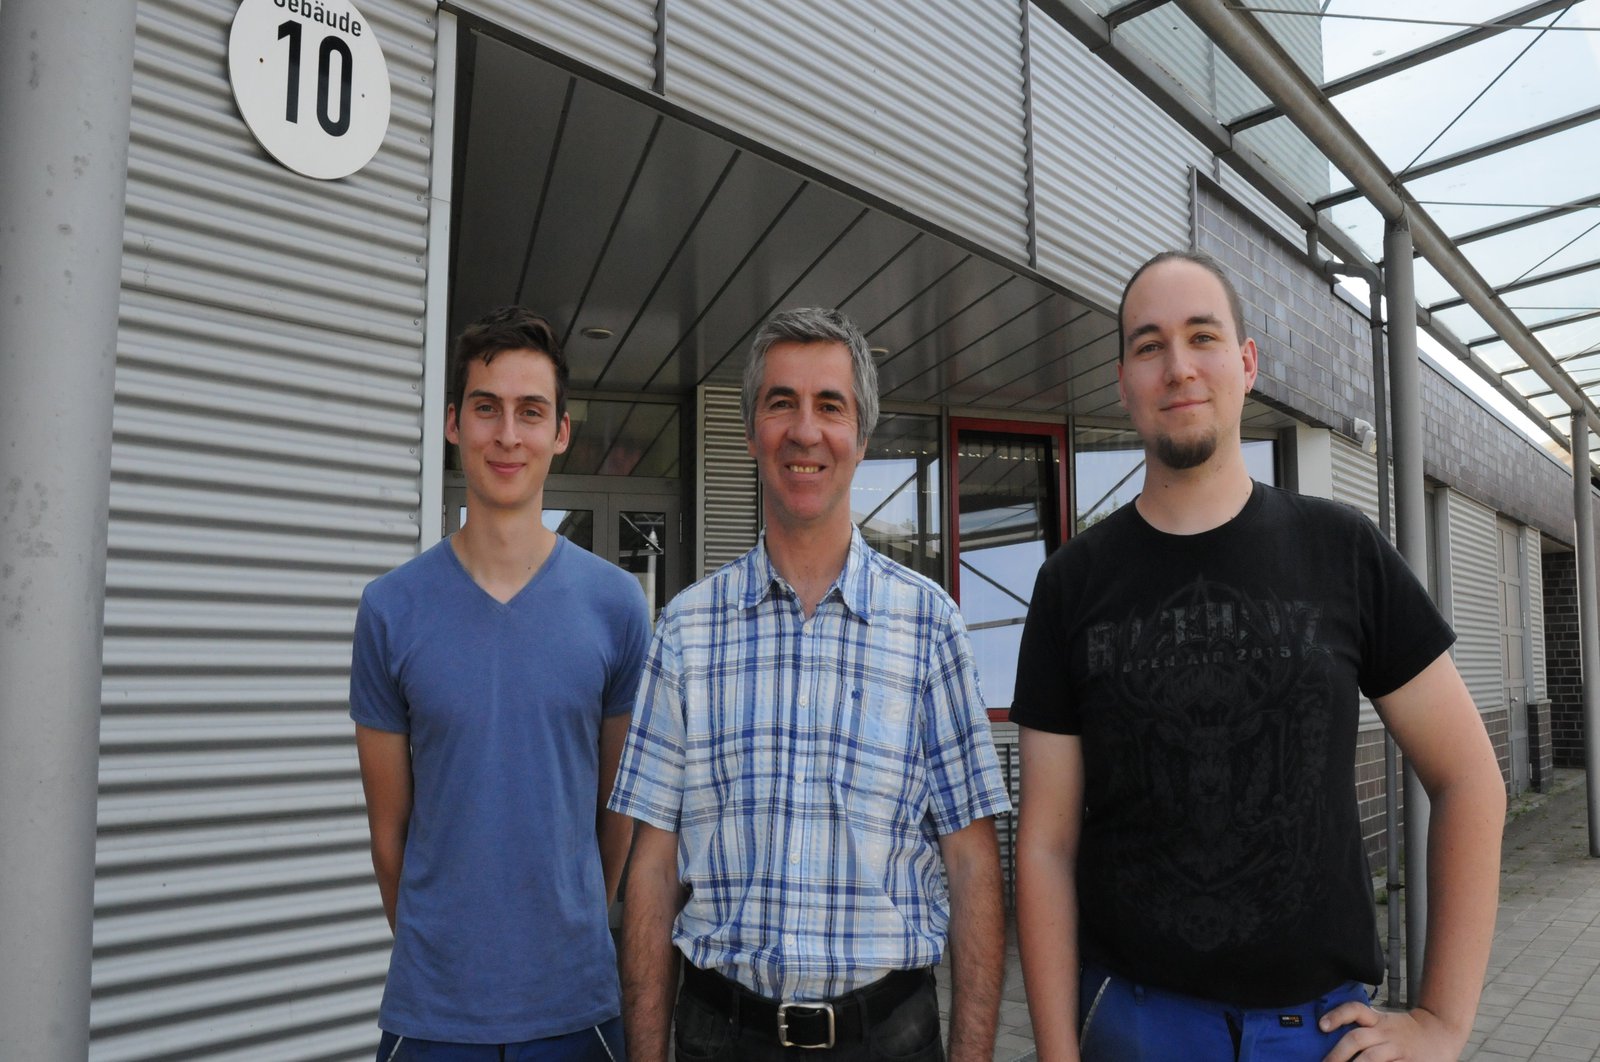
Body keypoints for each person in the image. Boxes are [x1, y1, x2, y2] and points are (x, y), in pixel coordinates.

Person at [1011, 251, 1506, 1062]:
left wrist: (1443, 1020)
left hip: (1316, 1035)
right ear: (1124, 379)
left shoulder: (1343, 550)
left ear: (1246, 363)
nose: (1178, 367)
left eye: (1202, 337)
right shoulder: (1070, 585)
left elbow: (1470, 779)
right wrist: (1057, 1053)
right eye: (1149, 345)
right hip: (1135, 1030)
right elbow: (1045, 844)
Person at [607, 307, 1011, 1062]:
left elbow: (972, 861)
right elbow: (653, 865)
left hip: (889, 1039)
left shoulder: (931, 628)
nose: (804, 430)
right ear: (753, 429)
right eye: (780, 402)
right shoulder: (686, 631)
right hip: (717, 1036)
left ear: (861, 437)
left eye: (830, 405)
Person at [350, 307, 650, 1061]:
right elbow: (390, 835)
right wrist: (448, 955)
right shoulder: (390, 609)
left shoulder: (616, 606)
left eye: (531, 412)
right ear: (454, 423)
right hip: (431, 1017)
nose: (507, 435)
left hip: (575, 1012)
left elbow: (619, 815)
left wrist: (572, 914)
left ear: (562, 433)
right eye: (486, 409)